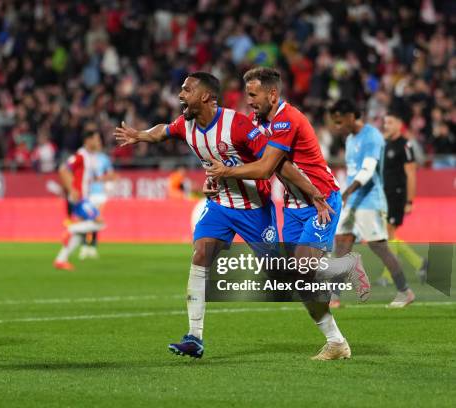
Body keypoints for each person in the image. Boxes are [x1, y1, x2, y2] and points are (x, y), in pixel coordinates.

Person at [114, 71, 334, 359]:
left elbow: (276, 164)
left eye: (186, 90)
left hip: (254, 209)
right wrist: (140, 136)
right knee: (200, 254)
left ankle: (334, 333)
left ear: (205, 96)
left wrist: (312, 191)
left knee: (283, 277)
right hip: (220, 205)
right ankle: (194, 337)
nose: (181, 95)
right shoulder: (186, 124)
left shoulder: (239, 125)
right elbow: (163, 131)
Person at [206, 67, 370, 360]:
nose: (249, 101)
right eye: (247, 95)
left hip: (321, 201)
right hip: (295, 206)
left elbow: (267, 167)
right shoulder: (260, 120)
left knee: (304, 266)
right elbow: (281, 167)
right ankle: (336, 343)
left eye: (253, 95)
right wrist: (217, 180)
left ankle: (345, 267)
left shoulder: (287, 120)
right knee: (294, 278)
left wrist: (226, 171)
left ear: (272, 93)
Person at [329, 100, 414, 308]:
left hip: (370, 201)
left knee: (379, 247)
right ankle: (334, 297)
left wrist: (347, 192)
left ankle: (405, 291)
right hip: (353, 200)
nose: (337, 126)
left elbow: (367, 170)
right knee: (342, 243)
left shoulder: (372, 136)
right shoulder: (350, 139)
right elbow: (352, 172)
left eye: (340, 122)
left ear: (351, 116)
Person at [380, 112, 427, 285]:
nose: (387, 126)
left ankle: (388, 275)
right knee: (388, 233)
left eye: (390, 122)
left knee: (389, 232)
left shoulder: (405, 145)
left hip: (398, 194)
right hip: (385, 194)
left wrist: (409, 201)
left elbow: (411, 174)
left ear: (400, 124)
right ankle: (420, 263)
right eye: (385, 123)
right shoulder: (385, 144)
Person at [54, 126, 104, 270]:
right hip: (79, 198)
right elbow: (63, 169)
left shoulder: (90, 157)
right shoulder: (80, 155)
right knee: (99, 222)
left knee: (82, 235)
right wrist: (71, 189)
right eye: (96, 139)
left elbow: (88, 177)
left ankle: (61, 260)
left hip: (84, 197)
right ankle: (70, 229)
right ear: (88, 140)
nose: (99, 142)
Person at [82, 135, 117, 260]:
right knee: (87, 220)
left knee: (96, 220)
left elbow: (112, 175)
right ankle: (85, 246)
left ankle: (92, 246)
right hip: (87, 193)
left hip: (100, 194)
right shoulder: (85, 157)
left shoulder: (104, 159)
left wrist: (100, 179)